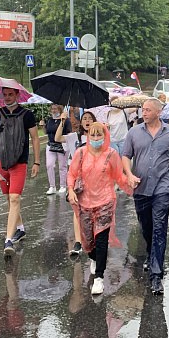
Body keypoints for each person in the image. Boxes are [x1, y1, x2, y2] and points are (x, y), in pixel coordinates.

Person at [121, 97, 169, 295]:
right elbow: (125, 156)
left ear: (158, 112)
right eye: (143, 109)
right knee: (146, 227)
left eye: (148, 109)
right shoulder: (134, 132)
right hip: (140, 188)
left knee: (159, 228)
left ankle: (156, 275)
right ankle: (151, 254)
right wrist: (129, 174)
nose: (144, 112)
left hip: (162, 187)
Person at [66, 122, 133, 296]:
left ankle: (99, 278)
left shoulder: (111, 154)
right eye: (93, 135)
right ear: (88, 136)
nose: (96, 139)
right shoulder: (81, 153)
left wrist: (133, 185)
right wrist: (71, 190)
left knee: (101, 239)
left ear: (105, 136)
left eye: (99, 135)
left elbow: (119, 176)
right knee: (88, 242)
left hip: (105, 201)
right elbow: (72, 174)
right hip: (85, 202)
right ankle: (94, 258)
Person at [0, 86, 41, 257]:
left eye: (10, 94)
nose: (7, 97)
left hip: (19, 162)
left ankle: (8, 239)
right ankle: (20, 229)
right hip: (1, 162)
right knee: (9, 198)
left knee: (15, 198)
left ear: (17, 94)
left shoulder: (27, 115)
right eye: (5, 95)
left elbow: (35, 138)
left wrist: (36, 162)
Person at [62, 110, 95, 257]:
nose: (87, 121)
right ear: (81, 122)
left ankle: (92, 238)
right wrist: (62, 122)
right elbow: (57, 138)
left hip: (93, 179)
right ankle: (78, 242)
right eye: (85, 118)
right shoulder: (74, 137)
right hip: (77, 179)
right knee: (77, 210)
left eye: (90, 118)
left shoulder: (98, 137)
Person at [43, 104, 73, 195]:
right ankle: (52, 186)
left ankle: (63, 185)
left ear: (60, 109)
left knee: (62, 166)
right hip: (51, 145)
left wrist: (63, 121)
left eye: (55, 109)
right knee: (49, 165)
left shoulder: (66, 120)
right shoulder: (49, 120)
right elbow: (46, 132)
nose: (53, 111)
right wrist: (43, 126)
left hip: (62, 145)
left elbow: (69, 133)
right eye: (52, 109)